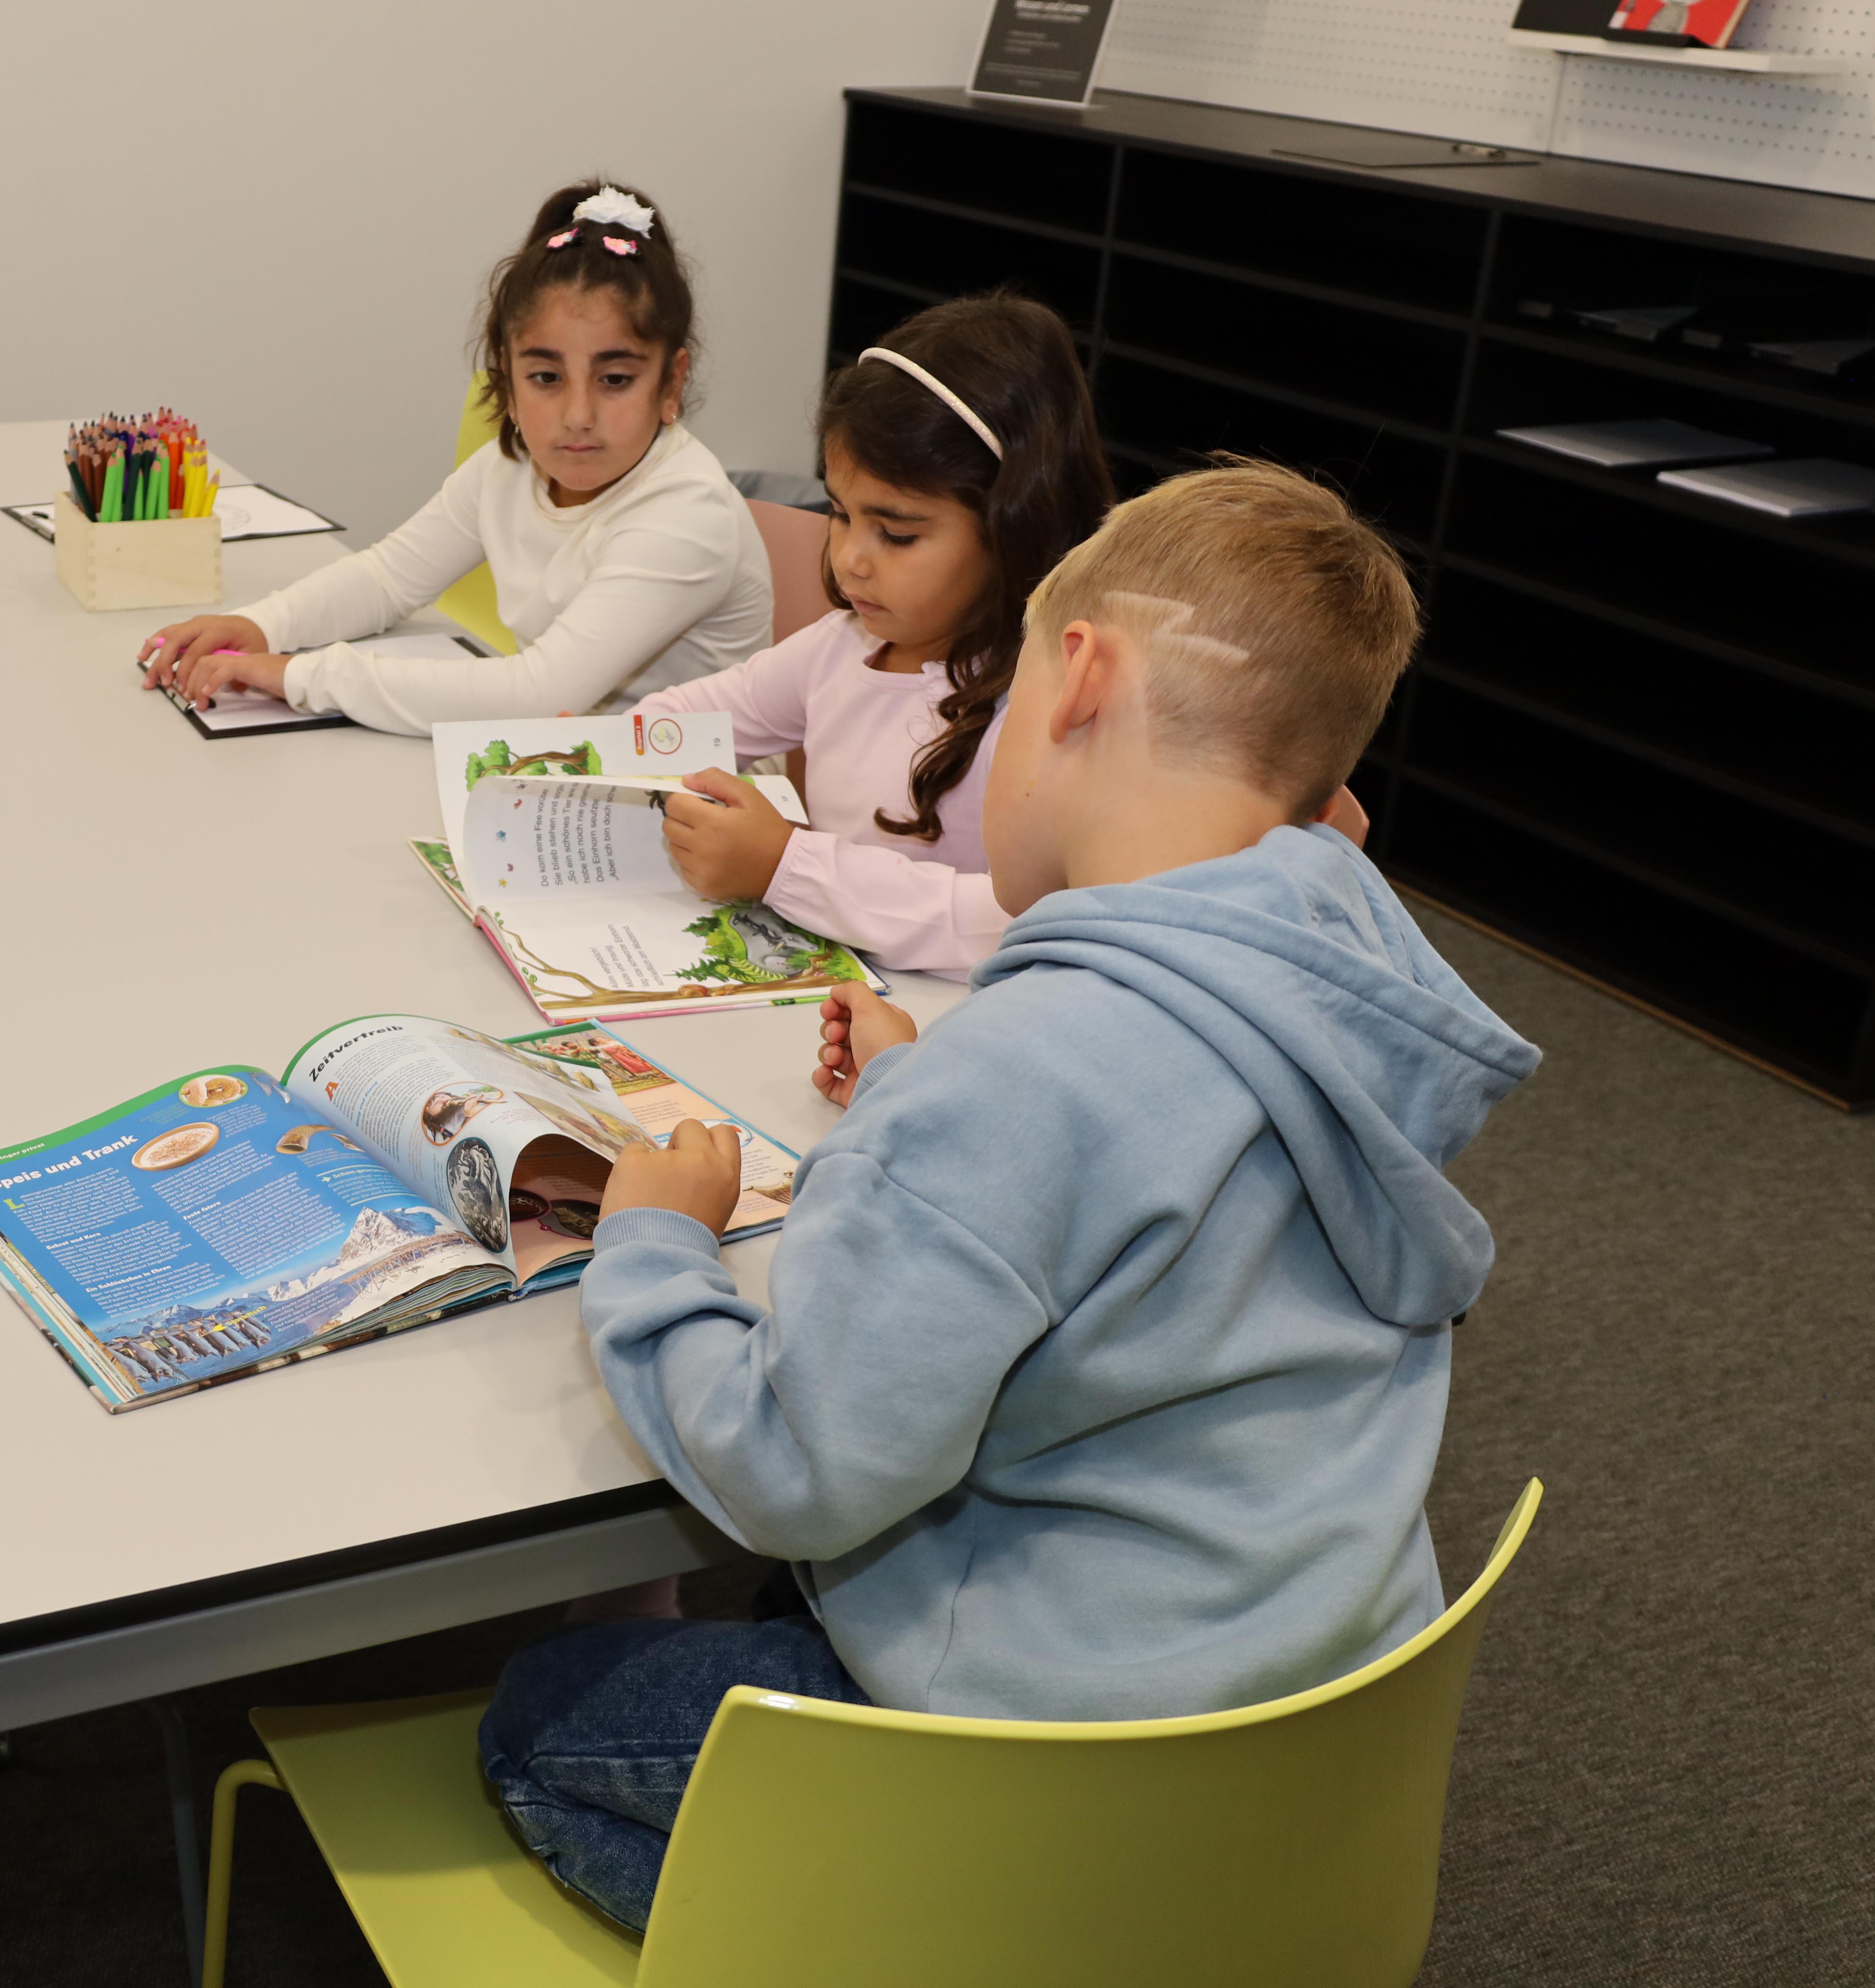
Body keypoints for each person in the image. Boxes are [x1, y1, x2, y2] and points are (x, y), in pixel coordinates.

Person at [477, 459, 1542, 1931]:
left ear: (1081, 676)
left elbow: (801, 1473)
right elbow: (1120, 1147)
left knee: (542, 1718)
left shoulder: (1026, 1078)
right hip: (1299, 1724)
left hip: (1057, 1770)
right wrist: (921, 1093)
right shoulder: (1342, 993)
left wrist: (656, 1245)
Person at [137, 180, 772, 734]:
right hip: (565, 772)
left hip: (699, 813)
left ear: (672, 383)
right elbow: (389, 579)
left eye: (615, 380)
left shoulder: (688, 511)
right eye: (547, 379)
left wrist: (300, 676)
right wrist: (262, 626)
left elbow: (542, 698)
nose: (578, 415)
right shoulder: (514, 467)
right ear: (509, 382)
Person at [626, 294, 1110, 980]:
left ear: (1011, 528)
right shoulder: (839, 648)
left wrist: (786, 866)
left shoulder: (1051, 708)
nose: (852, 556)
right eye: (841, 513)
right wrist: (601, 751)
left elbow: (1022, 921)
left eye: (898, 533)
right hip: (830, 1001)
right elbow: (680, 721)